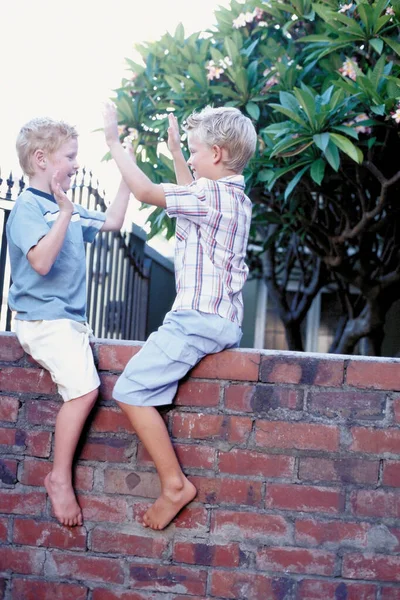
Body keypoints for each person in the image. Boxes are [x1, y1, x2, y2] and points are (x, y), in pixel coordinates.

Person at [103, 102, 257, 530]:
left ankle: (174, 484)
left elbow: (145, 193)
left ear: (218, 153)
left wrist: (115, 143)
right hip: (222, 320)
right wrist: (174, 153)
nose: (188, 158)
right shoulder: (234, 198)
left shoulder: (208, 194)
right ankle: (173, 482)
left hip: (194, 319)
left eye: (193, 151)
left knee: (131, 389)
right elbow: (191, 200)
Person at [7, 117, 132, 527]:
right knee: (83, 392)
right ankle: (59, 477)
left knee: (84, 388)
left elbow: (113, 222)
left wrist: (127, 173)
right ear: (41, 159)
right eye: (70, 156)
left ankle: (60, 475)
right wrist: (63, 215)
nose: (77, 165)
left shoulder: (69, 210)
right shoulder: (28, 207)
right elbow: (40, 262)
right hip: (43, 321)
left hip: (67, 322)